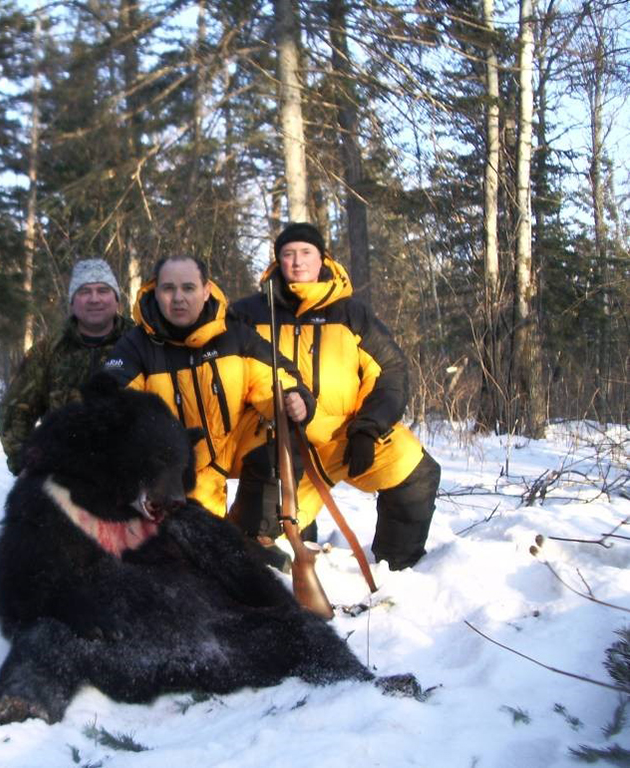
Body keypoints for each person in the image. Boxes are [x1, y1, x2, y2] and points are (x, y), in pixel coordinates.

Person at [231, 222, 441, 571]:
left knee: (415, 470)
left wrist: (367, 427)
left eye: (305, 253)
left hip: (345, 435)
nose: (297, 262)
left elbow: (390, 373)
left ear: (322, 258)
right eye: (288, 254)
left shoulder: (352, 313)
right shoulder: (249, 313)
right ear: (278, 261)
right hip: (280, 440)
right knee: (258, 537)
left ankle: (398, 569)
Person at [103, 255, 314, 518]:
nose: (178, 298)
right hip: (171, 465)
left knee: (280, 433)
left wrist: (296, 399)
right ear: (155, 293)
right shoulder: (135, 346)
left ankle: (255, 531)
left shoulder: (235, 335)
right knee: (189, 537)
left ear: (206, 292)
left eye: (188, 288)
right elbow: (110, 405)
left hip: (230, 444)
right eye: (169, 288)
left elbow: (278, 378)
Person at [0, 258, 133, 475]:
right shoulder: (48, 350)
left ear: (117, 299)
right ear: (72, 302)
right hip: (64, 472)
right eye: (84, 292)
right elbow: (14, 409)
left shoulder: (138, 342)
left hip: (128, 472)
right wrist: (24, 462)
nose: (94, 299)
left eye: (103, 290)